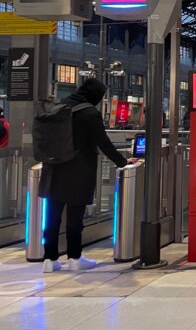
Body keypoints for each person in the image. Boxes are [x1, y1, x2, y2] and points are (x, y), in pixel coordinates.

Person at [38, 78, 137, 272]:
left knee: (52, 216)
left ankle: (49, 259)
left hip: (54, 168)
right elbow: (103, 142)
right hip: (78, 170)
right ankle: (74, 258)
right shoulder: (89, 113)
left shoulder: (58, 107)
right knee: (75, 216)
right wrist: (123, 162)